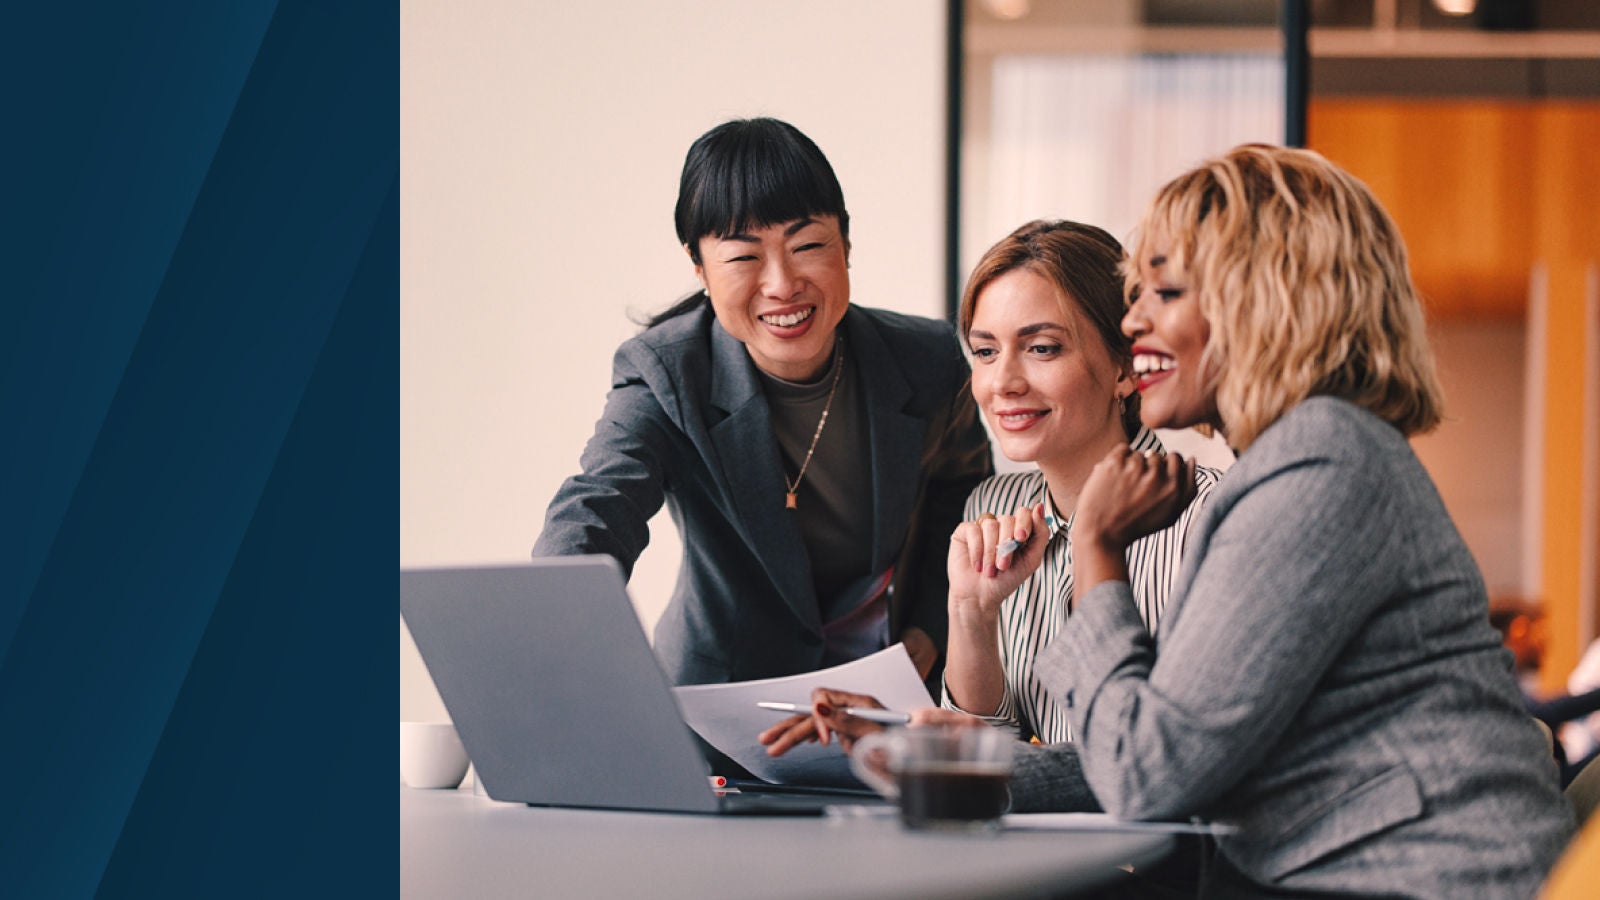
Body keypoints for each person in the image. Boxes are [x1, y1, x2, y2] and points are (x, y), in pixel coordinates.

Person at [799, 145, 1576, 897]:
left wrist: (1098, 547)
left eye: (1163, 296)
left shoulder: (1321, 469)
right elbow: (1169, 749)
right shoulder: (1298, 464)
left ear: (1265, 303)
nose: (1133, 324)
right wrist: (946, 758)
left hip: (1416, 878)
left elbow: (1148, 771)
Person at [532, 117, 992, 694]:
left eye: (807, 246)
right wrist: (555, 630)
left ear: (846, 245)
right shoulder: (666, 372)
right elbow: (599, 505)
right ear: (699, 267)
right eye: (743, 258)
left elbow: (966, 499)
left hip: (887, 695)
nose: (781, 284)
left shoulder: (929, 361)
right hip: (723, 699)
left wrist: (928, 632)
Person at [758, 220, 1219, 757]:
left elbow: (1162, 758)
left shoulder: (1208, 519)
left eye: (1043, 348)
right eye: (984, 352)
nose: (1003, 382)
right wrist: (972, 616)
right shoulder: (990, 507)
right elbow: (984, 753)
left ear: (1123, 367)